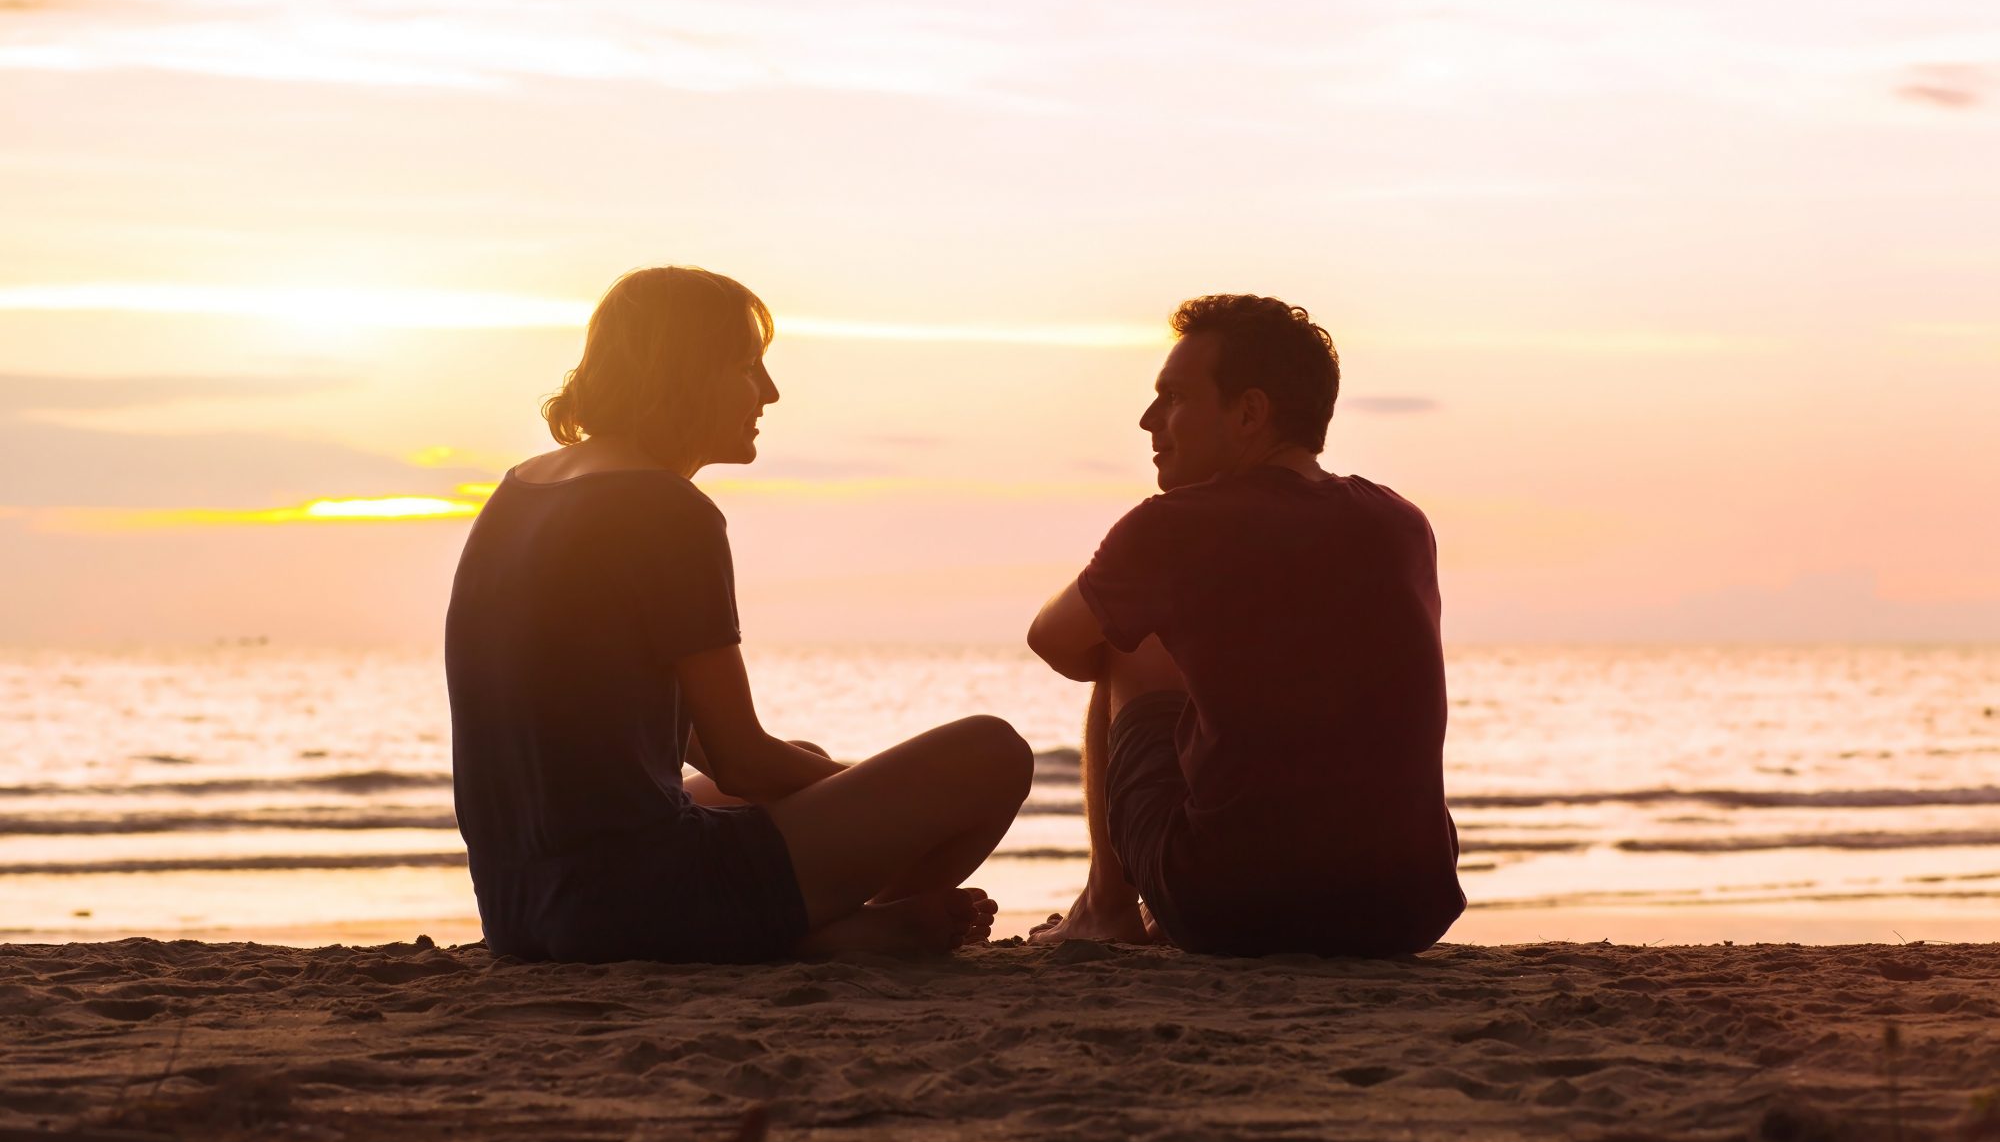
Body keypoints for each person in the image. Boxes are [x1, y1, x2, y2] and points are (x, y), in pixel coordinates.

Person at [446, 266, 1031, 963]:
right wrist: (900, 803)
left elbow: (666, 736)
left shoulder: (520, 490)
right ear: (685, 372)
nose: (772, 392)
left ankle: (820, 924)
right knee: (990, 754)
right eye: (750, 367)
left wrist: (853, 794)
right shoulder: (664, 508)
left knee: (801, 762)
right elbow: (744, 759)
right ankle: (830, 932)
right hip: (631, 904)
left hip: (522, 910)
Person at [1025, 294, 1463, 957]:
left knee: (1125, 638)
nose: (1149, 421)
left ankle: (1103, 905)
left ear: (1250, 412)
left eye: (1172, 397)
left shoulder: (1171, 527)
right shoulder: (1402, 522)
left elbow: (1055, 638)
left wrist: (1162, 632)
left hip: (1236, 909)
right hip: (1406, 908)